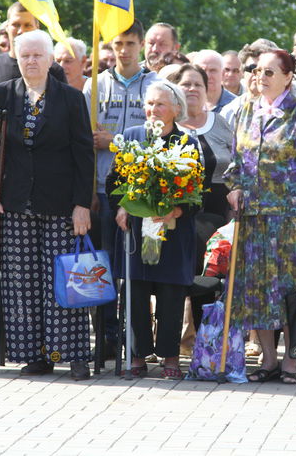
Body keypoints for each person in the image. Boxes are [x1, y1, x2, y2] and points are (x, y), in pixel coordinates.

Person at [0, 30, 94, 381]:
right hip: (14, 203)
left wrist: (82, 205)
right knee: (21, 284)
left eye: (37, 55)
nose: (31, 61)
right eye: (24, 55)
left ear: (50, 59)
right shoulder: (1, 96)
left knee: (62, 279)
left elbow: (83, 155)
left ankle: (71, 353)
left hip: (60, 204)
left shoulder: (71, 99)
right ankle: (35, 355)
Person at [224, 49, 296, 384]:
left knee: (289, 292)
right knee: (257, 291)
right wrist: (234, 186)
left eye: (270, 72)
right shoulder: (246, 110)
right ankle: (267, 359)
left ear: (288, 77)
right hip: (253, 218)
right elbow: (235, 160)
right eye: (257, 70)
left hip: (291, 220)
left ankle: (291, 361)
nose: (261, 77)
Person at [109, 81, 199, 379]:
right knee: (136, 291)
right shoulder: (131, 137)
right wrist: (122, 206)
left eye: (160, 104)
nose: (153, 109)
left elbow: (198, 189)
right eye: (149, 104)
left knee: (171, 294)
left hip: (173, 231)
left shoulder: (187, 141)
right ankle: (137, 354)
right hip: (136, 231)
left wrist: (178, 208)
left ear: (176, 109)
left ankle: (170, 355)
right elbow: (114, 182)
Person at [83, 19, 159, 357]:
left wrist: (115, 142)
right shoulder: (95, 87)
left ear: (141, 44)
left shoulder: (157, 85)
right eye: (118, 44)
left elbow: (160, 140)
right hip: (103, 189)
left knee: (136, 270)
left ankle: (137, 337)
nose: (124, 51)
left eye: (130, 43)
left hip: (143, 192)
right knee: (105, 267)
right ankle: (107, 336)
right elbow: (81, 141)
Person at [0, 2, 66, 133]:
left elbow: (65, 120)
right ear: (7, 27)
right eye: (16, 25)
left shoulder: (53, 69)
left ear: (37, 27)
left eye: (27, 25)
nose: (21, 31)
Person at [172, 64, 233, 218]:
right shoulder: (167, 125)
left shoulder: (220, 122)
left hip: (220, 217)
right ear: (175, 89)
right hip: (176, 219)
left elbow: (239, 164)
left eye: (198, 85)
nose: (192, 88)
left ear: (206, 91)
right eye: (186, 84)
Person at [220, 38, 279, 128]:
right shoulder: (230, 111)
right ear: (242, 72)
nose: (258, 74)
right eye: (251, 68)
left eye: (266, 70)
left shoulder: (291, 109)